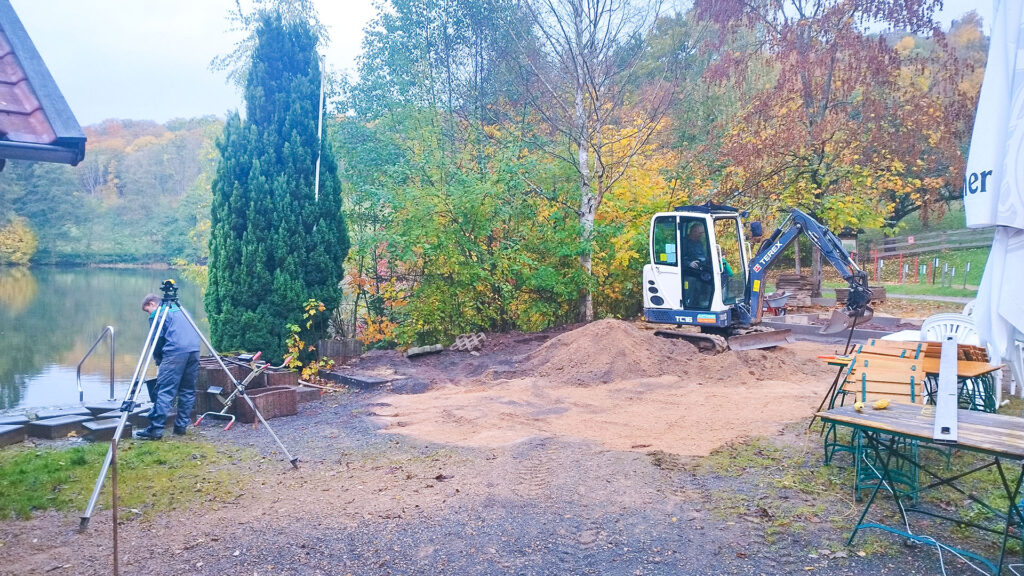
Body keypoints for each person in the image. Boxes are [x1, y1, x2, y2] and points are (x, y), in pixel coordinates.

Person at [135, 293, 202, 440]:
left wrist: (158, 359)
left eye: (147, 310)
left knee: (165, 391)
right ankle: (181, 427)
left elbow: (156, 340)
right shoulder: (181, 309)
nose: (148, 314)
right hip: (194, 350)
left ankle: (156, 429)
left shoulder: (157, 314)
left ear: (153, 303)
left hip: (174, 352)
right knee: (187, 390)